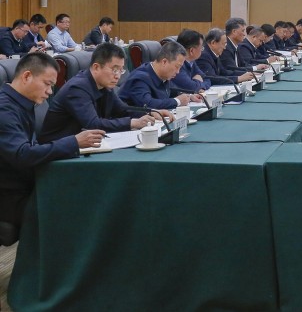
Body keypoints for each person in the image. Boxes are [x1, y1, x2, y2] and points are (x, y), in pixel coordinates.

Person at [0, 53, 103, 226]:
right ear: (26, 76)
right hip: (11, 197)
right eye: (47, 84)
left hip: (30, 183)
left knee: (91, 191)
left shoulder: (23, 102)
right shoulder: (4, 109)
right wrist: (73, 142)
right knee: (82, 208)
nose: (49, 92)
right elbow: (22, 154)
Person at [38, 43, 164, 143]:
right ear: (96, 67)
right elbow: (93, 124)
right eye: (114, 69)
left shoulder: (104, 85)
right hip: (59, 147)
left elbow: (122, 110)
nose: (118, 76)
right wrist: (132, 123)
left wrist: (151, 113)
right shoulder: (77, 88)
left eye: (121, 70)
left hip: (85, 144)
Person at [119, 40, 199, 110]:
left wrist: (188, 96)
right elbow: (147, 104)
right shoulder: (140, 78)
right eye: (177, 67)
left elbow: (170, 92)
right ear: (164, 62)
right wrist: (177, 101)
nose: (178, 72)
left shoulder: (163, 75)